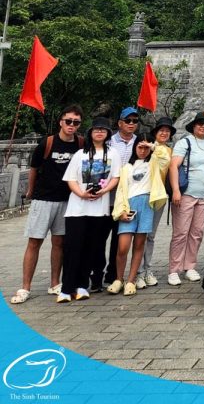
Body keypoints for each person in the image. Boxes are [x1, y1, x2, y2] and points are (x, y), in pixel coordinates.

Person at [11, 104, 84, 304]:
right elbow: (34, 168)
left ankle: (54, 282)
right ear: (61, 121)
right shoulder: (48, 143)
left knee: (59, 243)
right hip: (43, 199)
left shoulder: (80, 143)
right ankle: (25, 286)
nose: (71, 125)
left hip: (67, 200)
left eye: (76, 122)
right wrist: (30, 191)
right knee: (34, 241)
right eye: (68, 121)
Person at [58, 117, 120, 303]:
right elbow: (70, 179)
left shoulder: (113, 154)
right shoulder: (80, 154)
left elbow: (115, 177)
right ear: (90, 133)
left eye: (103, 130)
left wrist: (104, 191)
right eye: (96, 130)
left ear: (108, 133)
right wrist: (81, 194)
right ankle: (66, 287)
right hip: (77, 208)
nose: (99, 132)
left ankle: (82, 285)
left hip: (99, 209)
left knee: (91, 248)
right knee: (72, 248)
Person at [109, 138, 168, 295]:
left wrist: (151, 145)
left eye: (145, 148)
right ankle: (118, 278)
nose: (142, 150)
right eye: (139, 147)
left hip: (146, 205)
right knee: (123, 246)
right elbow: (121, 191)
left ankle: (131, 280)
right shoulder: (126, 167)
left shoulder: (153, 164)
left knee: (139, 244)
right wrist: (120, 211)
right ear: (134, 148)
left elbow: (165, 156)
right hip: (130, 206)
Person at [167, 109, 204, 286]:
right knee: (180, 232)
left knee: (197, 232)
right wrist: (175, 191)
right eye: (200, 123)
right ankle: (174, 269)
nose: (203, 127)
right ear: (194, 126)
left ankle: (190, 265)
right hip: (186, 193)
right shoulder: (185, 142)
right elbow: (174, 166)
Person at [97, 105, 139, 291]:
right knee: (99, 238)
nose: (131, 124)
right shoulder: (108, 142)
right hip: (105, 197)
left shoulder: (139, 143)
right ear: (120, 123)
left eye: (135, 121)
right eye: (128, 121)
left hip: (127, 199)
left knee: (119, 239)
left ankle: (114, 275)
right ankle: (96, 275)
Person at [136, 115, 175, 288]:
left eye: (167, 131)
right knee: (139, 235)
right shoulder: (145, 147)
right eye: (161, 130)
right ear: (156, 132)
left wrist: (152, 146)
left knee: (150, 236)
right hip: (140, 195)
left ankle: (147, 269)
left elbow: (164, 158)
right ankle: (138, 271)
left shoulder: (166, 150)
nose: (164, 133)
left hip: (157, 197)